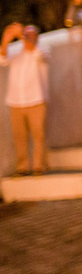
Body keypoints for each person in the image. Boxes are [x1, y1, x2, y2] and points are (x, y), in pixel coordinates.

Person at [1, 23, 49, 175]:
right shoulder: (15, 53)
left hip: (36, 100)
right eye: (26, 34)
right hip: (16, 101)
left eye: (31, 34)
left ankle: (38, 166)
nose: (28, 37)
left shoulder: (42, 51)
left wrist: (22, 35)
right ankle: (22, 167)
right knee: (19, 137)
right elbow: (2, 60)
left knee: (38, 135)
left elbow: (37, 54)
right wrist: (6, 39)